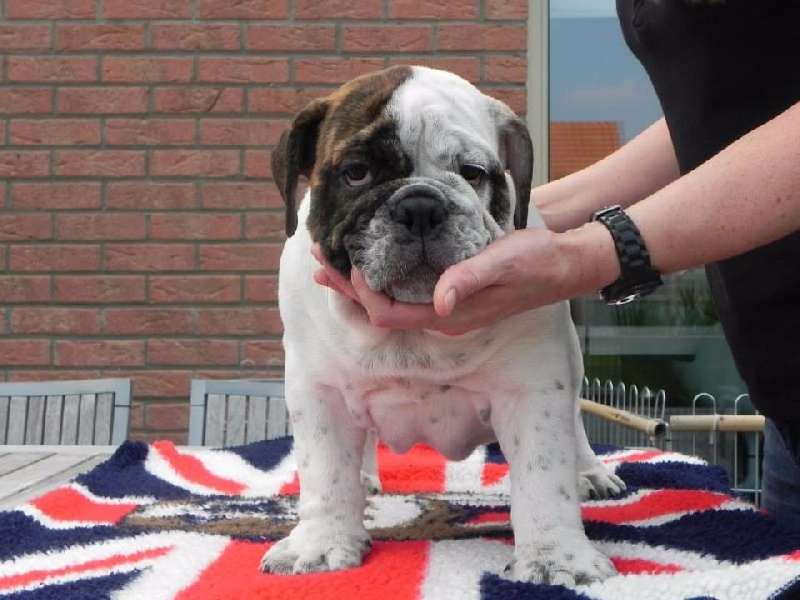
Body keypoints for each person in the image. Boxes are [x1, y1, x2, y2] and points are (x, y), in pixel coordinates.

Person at [311, 0, 800, 530]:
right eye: (359, 171)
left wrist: (594, 252)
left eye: (472, 171)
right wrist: (532, 216)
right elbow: (720, 115)